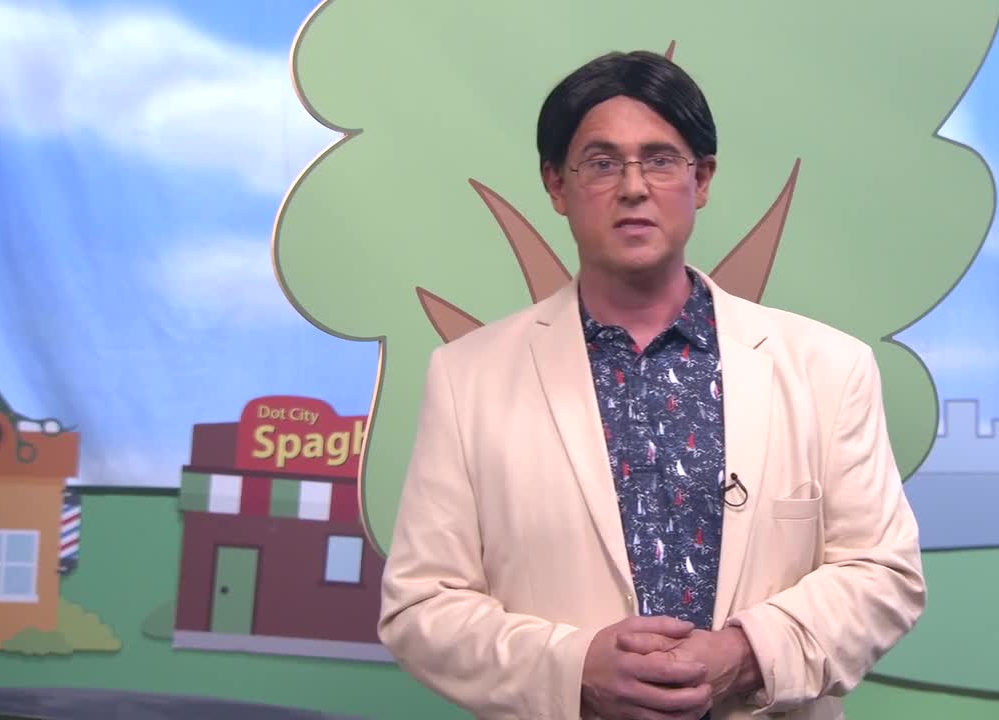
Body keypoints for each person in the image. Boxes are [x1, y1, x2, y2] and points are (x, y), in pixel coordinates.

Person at [378, 49, 925, 720]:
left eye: (661, 160)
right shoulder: (469, 378)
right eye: (602, 163)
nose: (633, 187)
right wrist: (576, 669)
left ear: (702, 179)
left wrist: (746, 654)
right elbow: (421, 607)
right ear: (556, 185)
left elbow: (883, 573)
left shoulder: (828, 368)